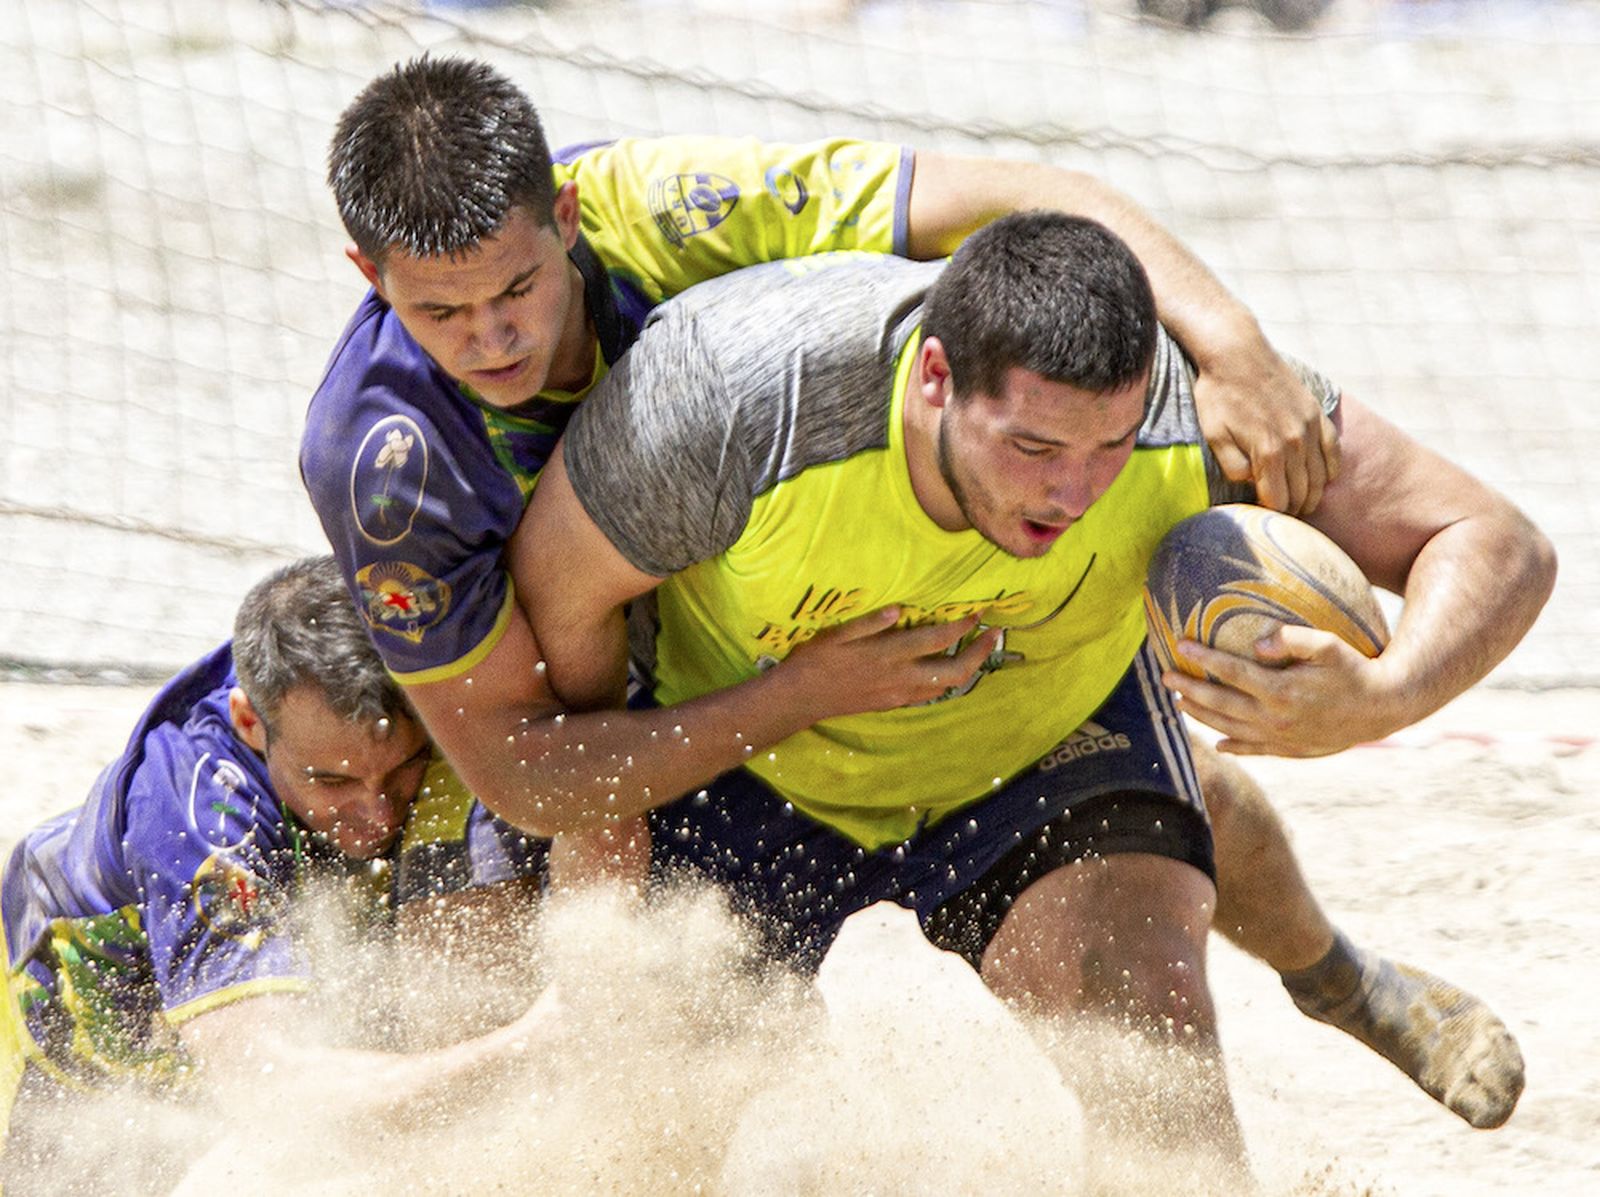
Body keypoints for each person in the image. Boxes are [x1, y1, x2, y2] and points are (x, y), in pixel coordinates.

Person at [299, 55, 1524, 1129]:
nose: (491, 339)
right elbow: (543, 742)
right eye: (439, 312)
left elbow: (1035, 202)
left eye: (517, 290)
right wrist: (618, 940)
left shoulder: (671, 214)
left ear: (564, 217)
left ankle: (1336, 978)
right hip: (679, 681)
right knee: (581, 1025)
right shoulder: (396, 470)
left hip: (974, 686)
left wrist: (1235, 345)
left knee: (1144, 912)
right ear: (368, 275)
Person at [505, 215, 1553, 1170]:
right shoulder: (732, 399)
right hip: (747, 759)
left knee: (1152, 1073)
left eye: (1109, 446)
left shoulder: (1203, 412)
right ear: (932, 380)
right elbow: (559, 619)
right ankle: (1328, 963)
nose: (1070, 491)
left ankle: (1334, 978)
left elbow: (1495, 539)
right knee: (644, 1128)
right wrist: (603, 917)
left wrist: (1385, 696)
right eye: (1033, 446)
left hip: (1039, 747)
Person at [0, 557, 553, 1191]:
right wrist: (529, 1045)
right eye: (332, 780)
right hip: (77, 1030)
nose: (376, 814)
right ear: (248, 722)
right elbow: (277, 1092)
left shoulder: (376, 685)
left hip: (250, 991)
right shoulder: (195, 820)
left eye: (401, 769)